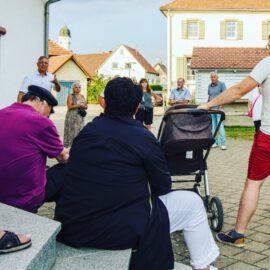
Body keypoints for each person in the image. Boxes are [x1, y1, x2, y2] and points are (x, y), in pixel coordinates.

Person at [55, 77, 219, 270]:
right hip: (119, 231)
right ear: (136, 107)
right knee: (192, 203)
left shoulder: (85, 134)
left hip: (74, 227)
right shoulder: (144, 139)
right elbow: (162, 187)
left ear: (104, 102)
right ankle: (203, 267)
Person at [198, 56, 270, 248]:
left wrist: (208, 105)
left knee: (253, 184)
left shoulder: (268, 63)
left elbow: (239, 90)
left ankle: (238, 234)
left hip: (268, 138)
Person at [0, 85, 69, 213]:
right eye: (50, 110)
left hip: (2, 192)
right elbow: (63, 157)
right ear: (42, 103)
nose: (49, 115)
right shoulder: (41, 121)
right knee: (69, 169)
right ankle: (62, 225)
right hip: (23, 199)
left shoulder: (2, 112)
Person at [63, 83, 88, 148]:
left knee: (80, 130)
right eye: (76, 87)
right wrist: (79, 105)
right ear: (73, 88)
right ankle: (71, 146)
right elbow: (69, 106)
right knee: (71, 131)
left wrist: (84, 106)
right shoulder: (70, 96)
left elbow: (86, 106)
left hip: (80, 116)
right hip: (72, 116)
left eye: (79, 87)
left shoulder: (82, 96)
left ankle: (78, 145)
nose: (78, 89)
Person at [208, 72, 227, 150]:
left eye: (214, 77)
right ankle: (215, 143)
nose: (213, 78)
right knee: (213, 127)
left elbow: (225, 95)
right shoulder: (209, 86)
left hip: (219, 109)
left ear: (217, 78)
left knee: (220, 126)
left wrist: (221, 105)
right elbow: (210, 97)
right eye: (211, 77)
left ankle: (223, 144)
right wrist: (208, 105)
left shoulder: (222, 84)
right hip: (212, 109)